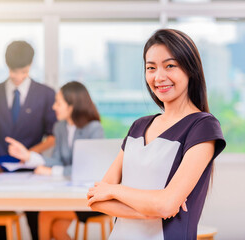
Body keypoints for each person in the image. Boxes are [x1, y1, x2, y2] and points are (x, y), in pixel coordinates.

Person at [86, 29, 226, 240]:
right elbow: (97, 199)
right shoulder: (138, 126)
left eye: (170, 65)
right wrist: (153, 208)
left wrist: (115, 191)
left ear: (190, 69)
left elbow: (166, 204)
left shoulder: (203, 126)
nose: (159, 77)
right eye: (151, 68)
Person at [6, 81, 104, 240]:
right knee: (58, 230)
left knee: (45, 215)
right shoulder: (60, 127)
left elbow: (87, 170)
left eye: (58, 103)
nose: (54, 107)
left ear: (72, 105)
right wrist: (29, 156)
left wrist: (52, 171)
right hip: (68, 195)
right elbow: (57, 160)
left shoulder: (94, 129)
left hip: (88, 199)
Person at [0, 40, 57, 240]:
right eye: (13, 72)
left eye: (23, 72)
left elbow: (53, 136)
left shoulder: (46, 94)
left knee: (37, 226)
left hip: (32, 169)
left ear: (31, 65)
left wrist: (28, 155)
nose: (17, 77)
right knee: (1, 228)